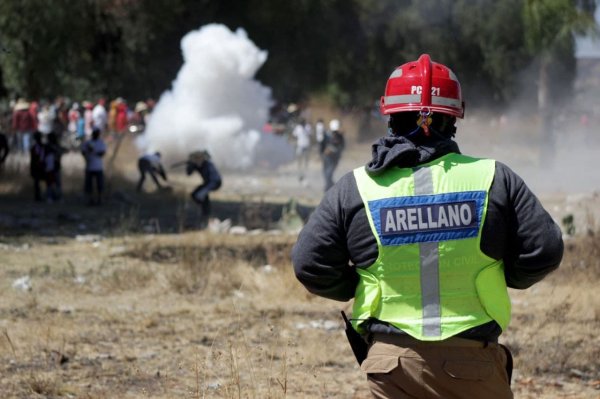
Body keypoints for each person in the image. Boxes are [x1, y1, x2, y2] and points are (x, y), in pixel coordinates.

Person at [291, 54, 564, 399]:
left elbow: (309, 264)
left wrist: (361, 284)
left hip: (391, 365)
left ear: (389, 113)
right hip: (474, 361)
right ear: (454, 117)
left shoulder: (356, 187)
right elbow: (546, 250)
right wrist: (497, 276)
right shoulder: (494, 177)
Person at [185, 150, 222, 227]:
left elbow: (215, 180)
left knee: (200, 195)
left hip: (214, 183)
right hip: (207, 183)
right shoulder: (198, 165)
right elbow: (189, 173)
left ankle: (206, 214)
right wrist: (190, 165)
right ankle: (205, 212)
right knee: (195, 195)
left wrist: (204, 191)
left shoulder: (208, 165)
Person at [81, 128, 106, 205]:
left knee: (100, 185)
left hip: (98, 167)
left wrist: (92, 150)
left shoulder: (101, 143)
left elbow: (102, 154)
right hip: (89, 167)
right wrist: (87, 156)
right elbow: (83, 152)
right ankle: (90, 199)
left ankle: (100, 199)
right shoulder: (87, 143)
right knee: (89, 185)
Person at [320, 118, 345, 191]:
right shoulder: (326, 135)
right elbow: (322, 145)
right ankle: (331, 185)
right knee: (325, 172)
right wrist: (322, 153)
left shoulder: (340, 137)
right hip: (326, 157)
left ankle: (328, 187)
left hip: (334, 158)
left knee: (329, 172)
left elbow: (342, 147)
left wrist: (333, 150)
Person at [29, 131, 46, 201]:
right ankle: (38, 196)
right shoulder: (35, 147)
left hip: (40, 166)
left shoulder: (40, 147)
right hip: (37, 167)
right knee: (37, 182)